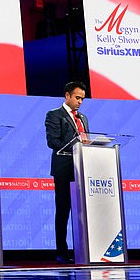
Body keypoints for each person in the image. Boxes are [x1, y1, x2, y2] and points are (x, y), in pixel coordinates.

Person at [45, 81, 89, 264]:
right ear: (67, 95)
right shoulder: (55, 115)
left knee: (83, 211)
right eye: (77, 98)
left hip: (83, 168)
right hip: (64, 168)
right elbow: (52, 141)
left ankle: (85, 249)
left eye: (82, 99)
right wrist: (75, 146)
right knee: (63, 210)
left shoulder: (83, 118)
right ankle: (62, 252)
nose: (80, 102)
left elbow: (86, 139)